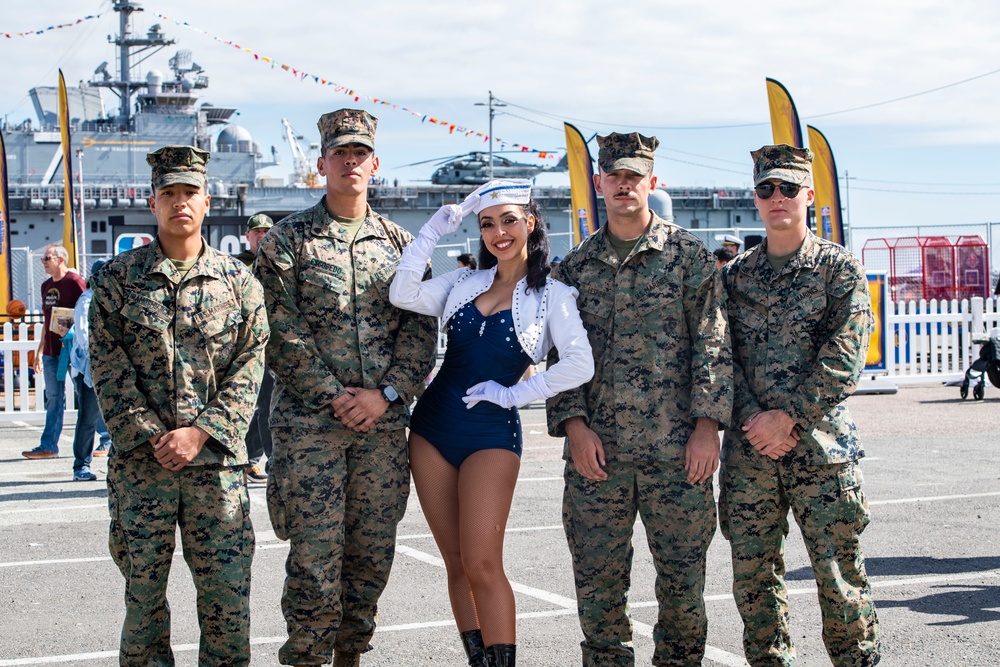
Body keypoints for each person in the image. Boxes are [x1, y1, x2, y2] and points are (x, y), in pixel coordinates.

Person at [254, 109, 438, 667]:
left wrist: (385, 395)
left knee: (372, 554)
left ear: (375, 164)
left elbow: (420, 331)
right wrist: (334, 395)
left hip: (382, 429)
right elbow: (276, 330)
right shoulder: (286, 242)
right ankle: (307, 658)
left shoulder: (404, 246)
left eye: (360, 154)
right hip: (312, 429)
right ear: (322, 163)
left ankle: (351, 655)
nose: (350, 162)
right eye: (340, 153)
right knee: (313, 558)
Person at [546, 132, 732, 666]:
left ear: (652, 181)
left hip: (677, 454)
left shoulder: (688, 257)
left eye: (635, 176)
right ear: (599, 182)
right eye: (615, 176)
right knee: (598, 587)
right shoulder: (574, 269)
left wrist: (707, 428)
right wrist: (574, 427)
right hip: (596, 455)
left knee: (682, 585)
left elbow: (713, 344)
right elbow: (561, 357)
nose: (624, 184)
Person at [390, 179, 594, 667]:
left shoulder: (554, 294)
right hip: (431, 430)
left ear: (530, 222)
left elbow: (578, 363)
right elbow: (403, 293)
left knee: (483, 563)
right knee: (456, 563)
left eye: (508, 221)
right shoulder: (464, 283)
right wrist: (433, 233)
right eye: (486, 224)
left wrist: (516, 393)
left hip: (491, 435)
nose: (498, 233)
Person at [89, 145, 269, 666]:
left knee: (227, 600)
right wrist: (150, 433)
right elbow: (106, 363)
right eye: (169, 193)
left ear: (206, 201)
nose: (179, 202)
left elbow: (250, 364)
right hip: (141, 467)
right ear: (153, 202)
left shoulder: (240, 283)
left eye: (189, 192)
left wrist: (199, 433)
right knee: (143, 600)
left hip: (216, 468)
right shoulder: (118, 279)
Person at [719, 144, 880, 667]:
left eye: (789, 188)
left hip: (821, 450)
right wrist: (754, 420)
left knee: (838, 578)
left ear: (808, 195)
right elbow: (720, 358)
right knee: (754, 579)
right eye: (766, 189)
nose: (777, 198)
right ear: (757, 199)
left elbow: (845, 355)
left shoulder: (838, 270)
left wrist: (786, 417)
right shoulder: (735, 276)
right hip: (751, 455)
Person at [22, 244, 86, 459]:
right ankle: (49, 446)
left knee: (86, 395)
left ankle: (105, 438)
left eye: (47, 258)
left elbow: (87, 311)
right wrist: (40, 352)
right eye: (42, 258)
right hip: (51, 351)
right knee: (54, 398)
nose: (43, 262)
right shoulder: (46, 286)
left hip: (73, 349)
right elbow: (46, 321)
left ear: (60, 259)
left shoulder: (75, 282)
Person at [234, 212, 275, 483]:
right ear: (247, 235)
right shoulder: (236, 266)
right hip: (243, 344)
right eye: (257, 231)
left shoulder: (278, 264)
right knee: (253, 405)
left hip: (273, 344)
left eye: (266, 232)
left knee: (267, 403)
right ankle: (257, 459)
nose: (262, 236)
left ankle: (255, 459)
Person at [68, 259, 112, 481]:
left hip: (111, 367)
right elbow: (86, 339)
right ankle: (80, 466)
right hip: (89, 369)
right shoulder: (87, 301)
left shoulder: (112, 298)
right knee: (87, 418)